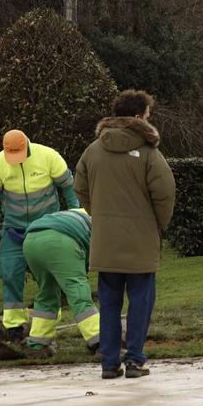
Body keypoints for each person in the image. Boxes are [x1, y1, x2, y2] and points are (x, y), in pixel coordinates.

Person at [75, 90, 176, 380]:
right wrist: (158, 223)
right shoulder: (148, 153)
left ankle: (108, 363)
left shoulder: (93, 150)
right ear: (137, 116)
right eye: (147, 114)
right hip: (140, 240)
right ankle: (134, 360)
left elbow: (79, 186)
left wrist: (99, 213)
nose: (148, 119)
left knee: (108, 302)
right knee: (141, 301)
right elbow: (165, 192)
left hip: (105, 241)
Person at [0, 130, 79, 341]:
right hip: (14, 230)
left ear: (27, 145)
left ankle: (46, 324)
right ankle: (15, 327)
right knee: (9, 272)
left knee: (49, 277)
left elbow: (69, 187)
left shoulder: (48, 156)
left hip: (47, 227)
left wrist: (76, 214)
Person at [22, 208, 100, 358]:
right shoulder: (100, 221)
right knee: (77, 291)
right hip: (60, 240)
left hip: (30, 241)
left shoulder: (77, 212)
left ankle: (37, 344)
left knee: (47, 293)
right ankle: (100, 340)